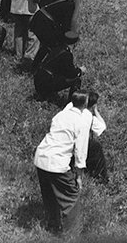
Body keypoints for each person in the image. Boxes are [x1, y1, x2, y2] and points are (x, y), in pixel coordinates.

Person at [33, 90, 92, 235]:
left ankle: (53, 225)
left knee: (49, 195)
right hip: (57, 162)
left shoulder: (60, 115)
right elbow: (81, 150)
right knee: (72, 197)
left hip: (41, 157)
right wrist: (79, 175)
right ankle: (72, 234)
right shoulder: (82, 121)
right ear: (85, 103)